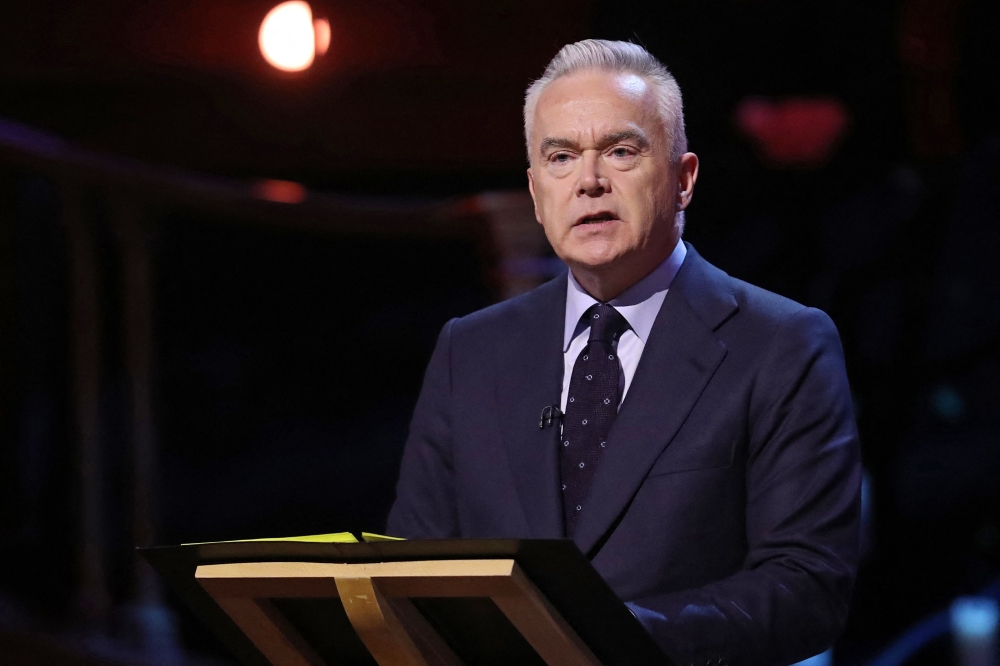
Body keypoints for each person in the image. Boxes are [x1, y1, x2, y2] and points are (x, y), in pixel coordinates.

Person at [387, 39, 861, 666]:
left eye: (620, 151)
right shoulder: (469, 350)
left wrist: (603, 634)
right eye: (561, 157)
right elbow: (408, 572)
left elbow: (806, 589)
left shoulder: (782, 344)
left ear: (684, 179)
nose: (588, 181)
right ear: (535, 192)